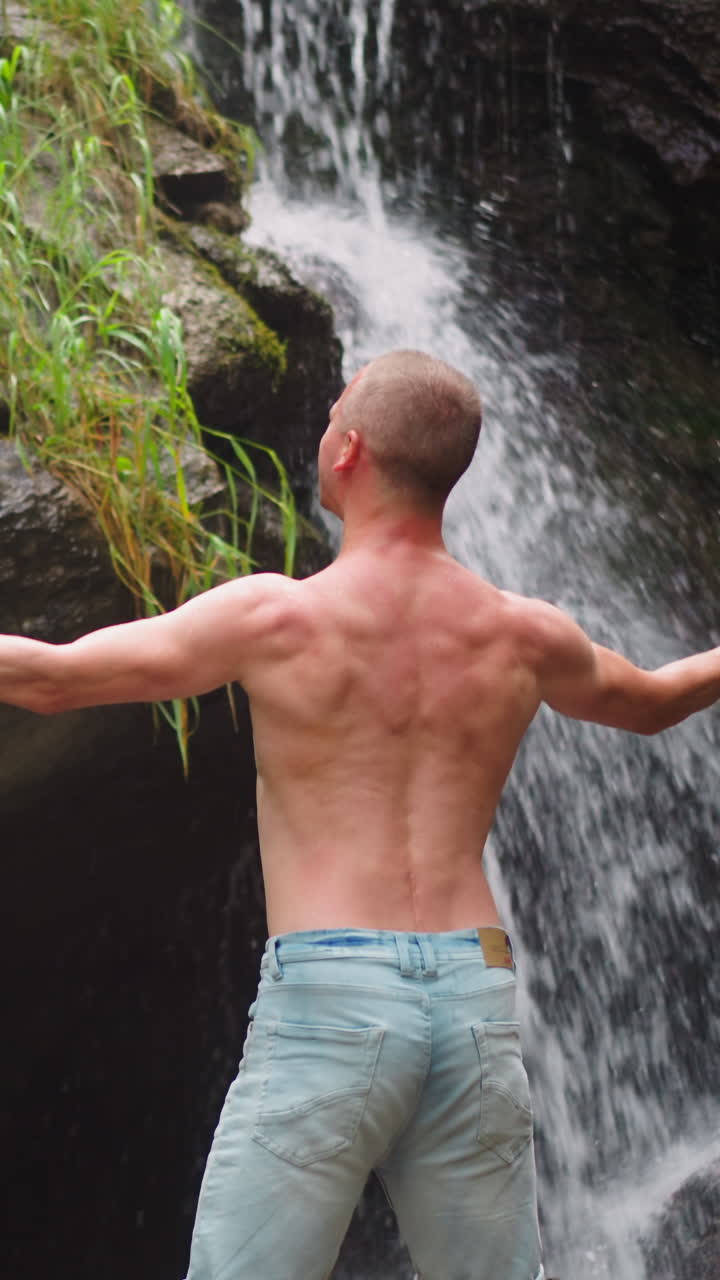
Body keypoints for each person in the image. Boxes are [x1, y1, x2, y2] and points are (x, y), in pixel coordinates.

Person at [1, 348, 719, 1280]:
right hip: (474, 994)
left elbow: (51, 679)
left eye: (333, 416)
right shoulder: (524, 633)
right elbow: (659, 699)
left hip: (332, 999)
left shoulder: (278, 618)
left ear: (348, 452)